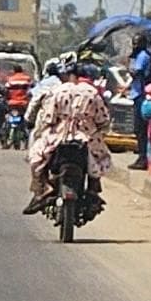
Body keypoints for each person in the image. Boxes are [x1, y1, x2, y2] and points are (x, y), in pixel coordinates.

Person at [24, 61, 112, 214]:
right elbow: (103, 119)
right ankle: (93, 189)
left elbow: (49, 118)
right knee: (99, 158)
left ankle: (41, 191)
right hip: (87, 138)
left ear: (71, 76)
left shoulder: (59, 91)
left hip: (59, 137)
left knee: (37, 157)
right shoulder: (92, 93)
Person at [127, 33, 151, 169]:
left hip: (142, 95)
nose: (135, 46)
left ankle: (143, 159)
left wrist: (129, 68)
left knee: (141, 129)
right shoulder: (139, 56)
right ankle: (144, 156)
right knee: (139, 129)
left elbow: (136, 73)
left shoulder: (143, 56)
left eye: (137, 43)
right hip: (137, 94)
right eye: (133, 43)